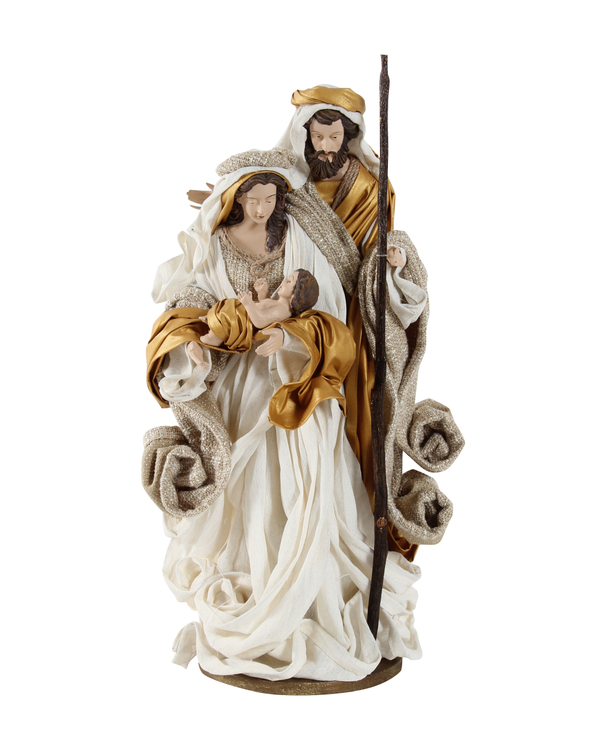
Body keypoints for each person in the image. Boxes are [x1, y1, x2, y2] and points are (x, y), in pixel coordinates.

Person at [144, 149, 424, 682]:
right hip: (241, 386)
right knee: (251, 495)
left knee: (313, 483)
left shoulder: (295, 234)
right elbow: (192, 299)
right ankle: (260, 585)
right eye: (253, 200)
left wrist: (291, 336)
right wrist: (193, 341)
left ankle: (315, 598)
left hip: (300, 376)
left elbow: (332, 309)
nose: (263, 209)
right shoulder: (216, 242)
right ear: (235, 199)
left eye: (271, 199)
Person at [187, 269, 319, 369]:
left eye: (289, 281)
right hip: (242, 317)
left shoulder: (282, 311)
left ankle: (199, 345)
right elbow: (265, 305)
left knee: (220, 329)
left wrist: (248, 303)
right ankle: (211, 320)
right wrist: (262, 292)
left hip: (242, 325)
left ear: (295, 294)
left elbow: (260, 322)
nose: (284, 282)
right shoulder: (280, 305)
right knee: (228, 309)